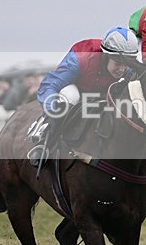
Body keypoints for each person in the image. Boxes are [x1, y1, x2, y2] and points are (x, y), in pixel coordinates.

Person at [30, 27, 139, 167]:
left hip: (103, 93)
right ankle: (45, 143)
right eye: (118, 64)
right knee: (71, 96)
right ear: (106, 56)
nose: (122, 70)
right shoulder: (81, 59)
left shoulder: (128, 69)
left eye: (126, 65)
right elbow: (48, 85)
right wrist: (53, 108)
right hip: (77, 90)